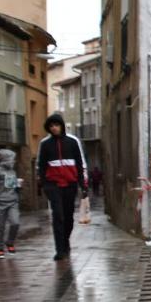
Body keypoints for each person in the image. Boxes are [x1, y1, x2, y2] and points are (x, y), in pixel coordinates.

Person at [37, 112, 87, 261]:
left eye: (56, 125)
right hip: (53, 185)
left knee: (68, 218)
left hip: (70, 184)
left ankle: (65, 241)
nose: (54, 128)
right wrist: (43, 184)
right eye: (51, 126)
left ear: (62, 126)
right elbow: (41, 165)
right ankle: (59, 249)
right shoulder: (44, 144)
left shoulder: (73, 142)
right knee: (57, 216)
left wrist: (83, 185)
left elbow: (80, 163)